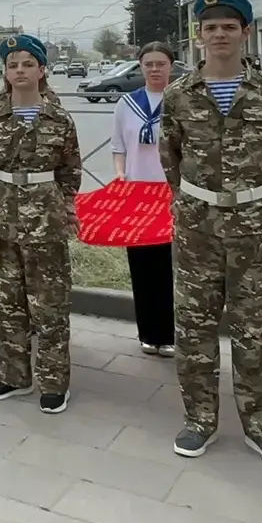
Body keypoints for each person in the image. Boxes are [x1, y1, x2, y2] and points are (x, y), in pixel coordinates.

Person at [159, 0, 262, 473]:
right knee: (194, 325)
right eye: (210, 27)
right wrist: (193, 202)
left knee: (259, 328)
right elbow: (170, 156)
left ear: (245, 32)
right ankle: (199, 419)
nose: (219, 34)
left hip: (254, 226)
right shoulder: (179, 94)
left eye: (228, 27)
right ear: (199, 35)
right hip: (197, 226)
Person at [0, 35, 78, 413]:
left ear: (41, 70)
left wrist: (66, 211)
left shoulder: (59, 118)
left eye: (27, 64)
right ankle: (13, 376)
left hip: (46, 220)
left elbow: (70, 171)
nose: (19, 70)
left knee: (49, 304)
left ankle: (54, 382)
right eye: (12, 65)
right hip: (5, 217)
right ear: (5, 72)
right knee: (8, 303)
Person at [113, 42, 176, 357]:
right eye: (148, 64)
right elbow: (119, 147)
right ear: (140, 67)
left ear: (171, 67)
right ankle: (148, 333)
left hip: (172, 195)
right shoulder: (126, 104)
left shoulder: (181, 101)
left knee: (170, 266)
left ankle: (170, 334)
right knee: (142, 265)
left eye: (160, 63)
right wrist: (120, 173)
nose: (154, 69)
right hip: (137, 196)